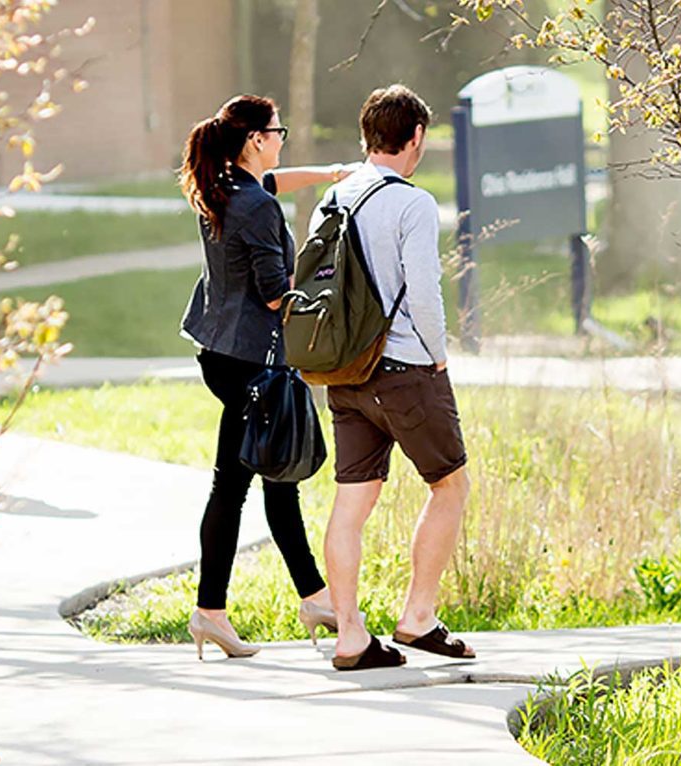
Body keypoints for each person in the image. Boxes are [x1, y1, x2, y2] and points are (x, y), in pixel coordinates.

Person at [173, 95, 356, 660]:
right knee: (240, 483)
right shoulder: (254, 208)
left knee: (274, 477)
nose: (282, 139)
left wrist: (329, 175)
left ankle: (312, 599)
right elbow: (275, 290)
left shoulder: (224, 188)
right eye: (278, 132)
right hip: (255, 361)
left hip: (222, 350)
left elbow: (272, 182)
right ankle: (214, 610)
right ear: (255, 138)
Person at [317, 85, 472, 671]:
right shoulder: (412, 202)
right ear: (416, 139)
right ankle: (417, 617)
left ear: (366, 137)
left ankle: (350, 635)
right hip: (406, 368)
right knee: (449, 485)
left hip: (347, 371)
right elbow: (425, 291)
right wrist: (437, 355)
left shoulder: (332, 197)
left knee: (351, 504)